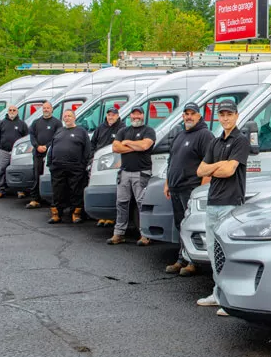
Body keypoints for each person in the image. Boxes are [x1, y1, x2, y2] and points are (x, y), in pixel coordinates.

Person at [194, 100, 249, 317]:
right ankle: (217, 293)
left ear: (236, 115)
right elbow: (200, 170)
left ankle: (229, 299)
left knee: (226, 253)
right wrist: (219, 165)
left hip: (230, 202)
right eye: (222, 114)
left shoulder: (241, 141)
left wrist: (214, 167)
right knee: (212, 251)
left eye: (229, 114)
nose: (225, 118)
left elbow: (229, 171)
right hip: (213, 203)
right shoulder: (215, 142)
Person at [164, 102, 214, 276]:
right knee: (181, 225)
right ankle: (182, 259)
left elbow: (209, 163)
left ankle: (193, 262)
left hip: (191, 188)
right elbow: (172, 161)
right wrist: (167, 183)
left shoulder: (204, 135)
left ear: (199, 116)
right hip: (176, 187)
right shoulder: (180, 135)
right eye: (186, 114)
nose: (189, 117)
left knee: (191, 226)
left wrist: (202, 191)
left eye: (193, 113)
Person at [107, 106, 156, 245]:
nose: (136, 117)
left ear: (143, 115)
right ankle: (119, 234)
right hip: (124, 172)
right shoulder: (123, 130)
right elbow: (115, 147)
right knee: (121, 203)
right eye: (133, 115)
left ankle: (145, 235)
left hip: (141, 173)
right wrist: (136, 147)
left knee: (142, 204)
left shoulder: (149, 130)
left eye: (138, 114)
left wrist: (127, 143)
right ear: (130, 116)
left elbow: (145, 146)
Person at [47, 109, 92, 224]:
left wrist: (83, 165)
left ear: (74, 117)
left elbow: (87, 150)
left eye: (69, 116)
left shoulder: (81, 131)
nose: (67, 118)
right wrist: (50, 163)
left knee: (76, 191)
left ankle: (76, 214)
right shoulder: (59, 131)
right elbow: (51, 147)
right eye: (65, 116)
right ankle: (57, 214)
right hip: (57, 167)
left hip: (75, 168)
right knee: (58, 192)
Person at [91, 107, 124, 227]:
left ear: (118, 116)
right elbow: (93, 143)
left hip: (114, 164)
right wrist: (92, 156)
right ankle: (102, 217)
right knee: (99, 189)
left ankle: (111, 217)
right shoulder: (100, 128)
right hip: (99, 163)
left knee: (112, 190)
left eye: (113, 115)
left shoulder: (122, 128)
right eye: (109, 115)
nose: (111, 117)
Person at [26, 101, 62, 209]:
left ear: (52, 109)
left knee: (52, 177)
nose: (46, 110)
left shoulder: (57, 123)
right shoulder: (36, 122)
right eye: (44, 108)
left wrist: (47, 146)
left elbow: (57, 137)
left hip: (51, 154)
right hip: (38, 153)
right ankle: (35, 199)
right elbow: (32, 136)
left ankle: (52, 199)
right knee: (37, 175)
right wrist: (37, 146)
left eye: (48, 108)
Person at [0, 105, 28, 199]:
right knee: (1, 170)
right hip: (4, 151)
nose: (12, 111)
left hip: (17, 153)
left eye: (14, 110)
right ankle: (0, 190)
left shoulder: (22, 124)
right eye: (10, 110)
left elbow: (26, 138)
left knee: (17, 171)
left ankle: (20, 191)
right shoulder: (1, 123)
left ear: (17, 112)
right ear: (7, 111)